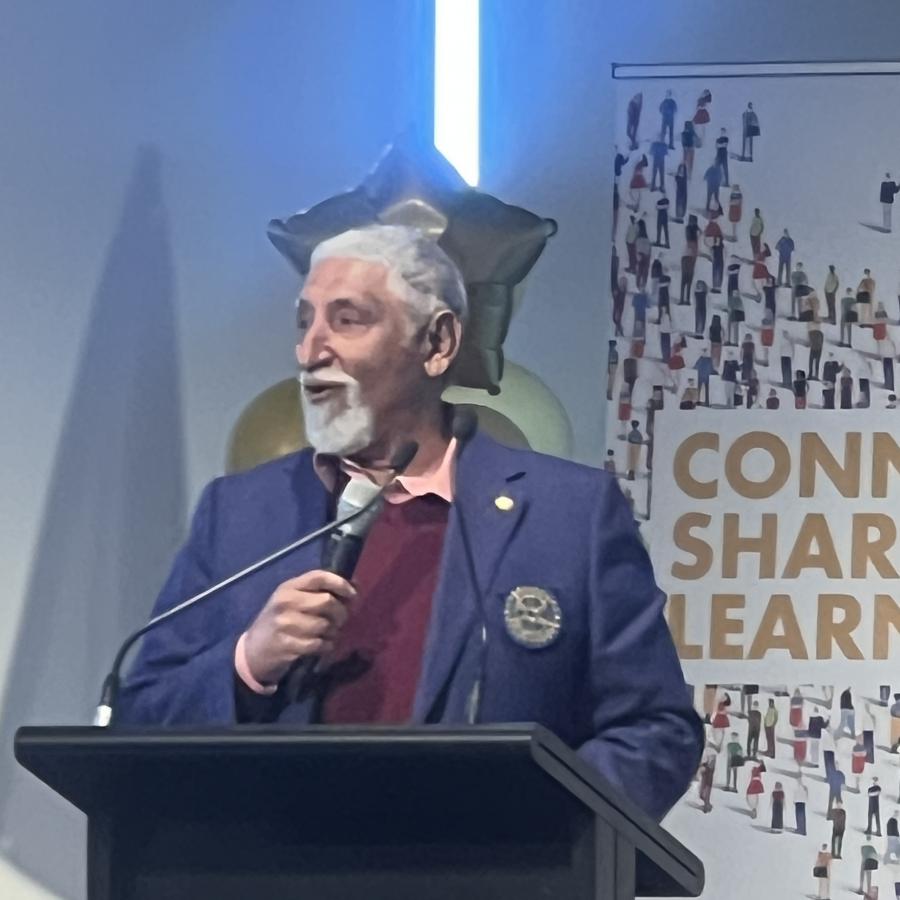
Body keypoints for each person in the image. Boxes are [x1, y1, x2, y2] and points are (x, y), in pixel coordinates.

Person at [116, 224, 703, 821]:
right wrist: (248, 664)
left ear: (438, 343)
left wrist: (532, 832)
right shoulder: (238, 512)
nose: (310, 351)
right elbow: (140, 718)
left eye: (347, 320)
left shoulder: (568, 514)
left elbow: (655, 730)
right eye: (304, 322)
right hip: (272, 860)